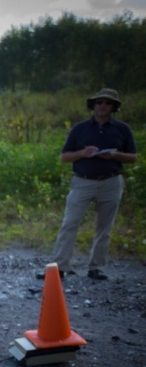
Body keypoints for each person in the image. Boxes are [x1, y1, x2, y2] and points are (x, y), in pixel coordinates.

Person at [45, 88, 137, 281]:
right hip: (83, 180)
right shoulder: (80, 128)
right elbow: (64, 156)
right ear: (93, 105)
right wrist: (82, 153)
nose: (102, 106)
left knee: (104, 226)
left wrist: (114, 155)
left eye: (107, 103)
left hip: (111, 181)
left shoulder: (122, 129)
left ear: (113, 107)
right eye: (99, 102)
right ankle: (60, 266)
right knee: (70, 223)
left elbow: (133, 157)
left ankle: (96, 267)